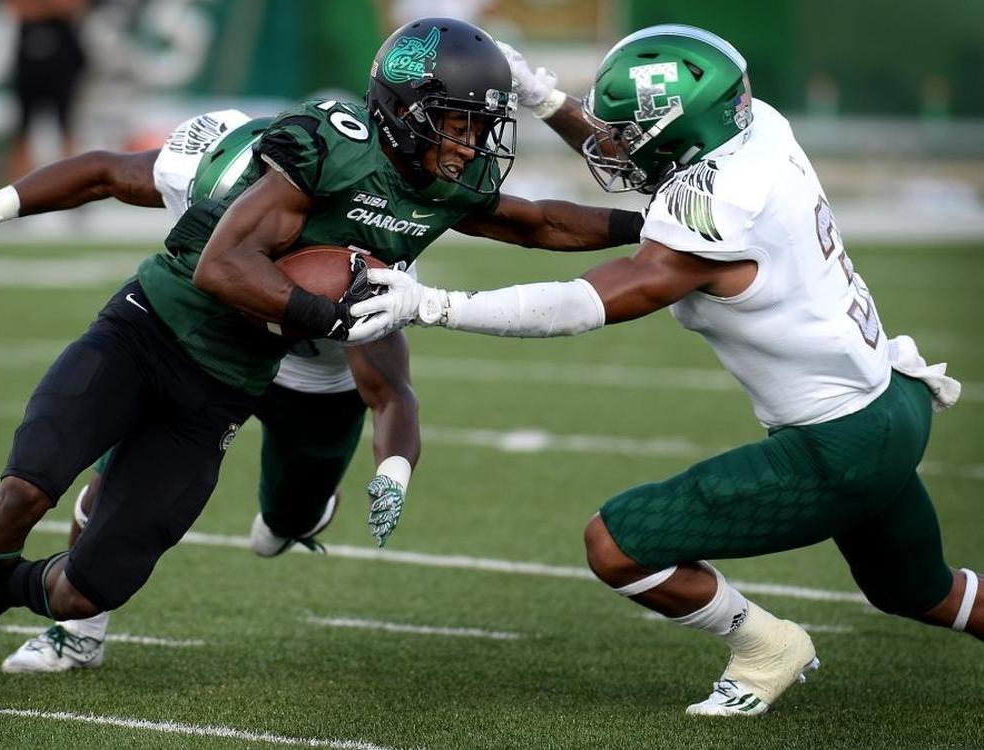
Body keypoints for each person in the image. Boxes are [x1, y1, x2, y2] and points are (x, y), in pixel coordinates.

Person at [0, 16, 645, 709]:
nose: (471, 144)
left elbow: (545, 222)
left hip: (223, 388)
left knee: (87, 591)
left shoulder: (447, 185)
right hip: (144, 332)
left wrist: (656, 227)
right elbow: (207, 255)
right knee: (24, 487)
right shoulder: (312, 148)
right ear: (403, 112)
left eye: (478, 127)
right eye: (454, 123)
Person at [352, 24, 980, 717]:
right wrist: (544, 97)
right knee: (922, 591)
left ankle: (767, 645)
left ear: (679, 135)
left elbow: (585, 303)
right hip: (893, 402)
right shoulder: (755, 128)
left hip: (842, 447)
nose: (608, 140)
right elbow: (647, 155)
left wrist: (436, 304)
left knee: (618, 545)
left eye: (625, 130)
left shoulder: (715, 210)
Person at [0, 108, 424, 673]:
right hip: (211, 360)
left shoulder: (368, 255)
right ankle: (78, 632)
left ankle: (300, 515)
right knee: (106, 477)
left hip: (317, 385)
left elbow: (391, 392)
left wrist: (392, 472)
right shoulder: (208, 167)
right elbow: (103, 172)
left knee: (285, 522)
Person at [5, 0, 88, 181]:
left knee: (67, 124)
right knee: (21, 128)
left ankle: (74, 184)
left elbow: (72, 7)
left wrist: (43, 7)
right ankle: (17, 188)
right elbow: (17, 9)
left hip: (63, 58)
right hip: (28, 57)